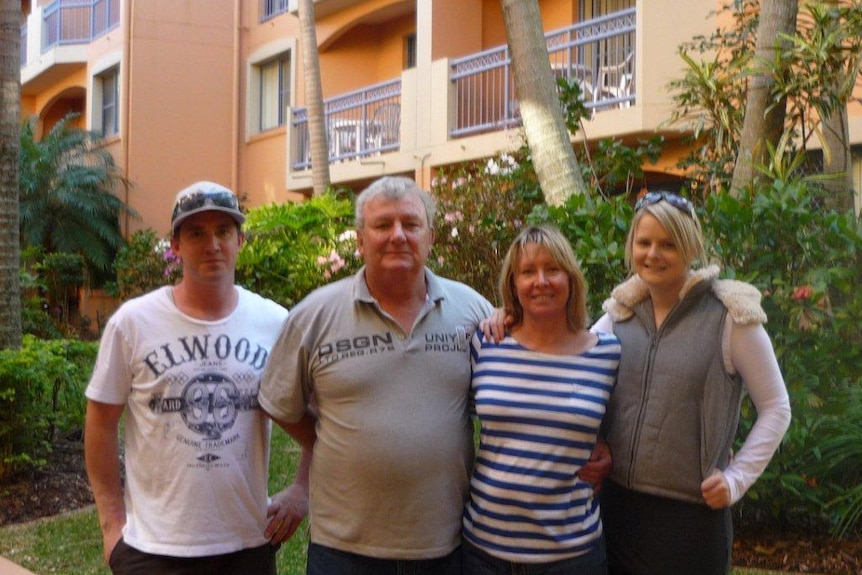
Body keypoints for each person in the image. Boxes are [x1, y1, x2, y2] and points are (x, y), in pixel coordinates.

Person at [257, 176, 494, 575]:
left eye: (411, 224)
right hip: (344, 549)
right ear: (360, 240)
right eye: (383, 225)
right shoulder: (314, 316)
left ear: (430, 237)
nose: (398, 235)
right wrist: (329, 437)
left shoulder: (472, 311)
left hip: (445, 544)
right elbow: (280, 404)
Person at [84, 181, 308, 575]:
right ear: (175, 244)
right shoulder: (133, 323)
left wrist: (302, 489)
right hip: (152, 549)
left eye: (223, 232)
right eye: (196, 233)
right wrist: (111, 526)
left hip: (248, 544)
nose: (213, 244)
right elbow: (100, 421)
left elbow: (320, 413)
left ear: (241, 239)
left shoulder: (275, 322)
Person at [592, 190, 792, 575]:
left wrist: (736, 481)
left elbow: (776, 407)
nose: (653, 254)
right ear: (631, 245)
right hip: (616, 511)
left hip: (691, 520)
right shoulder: (617, 317)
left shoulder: (731, 318)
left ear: (691, 246)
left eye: (668, 243)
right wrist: (507, 319)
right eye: (644, 242)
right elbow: (574, 369)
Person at [462, 225, 620, 575]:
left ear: (571, 278)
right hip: (485, 550)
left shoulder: (606, 353)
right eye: (528, 271)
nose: (541, 281)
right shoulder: (486, 344)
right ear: (513, 284)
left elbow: (620, 424)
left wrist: (604, 445)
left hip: (571, 553)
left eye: (553, 269)